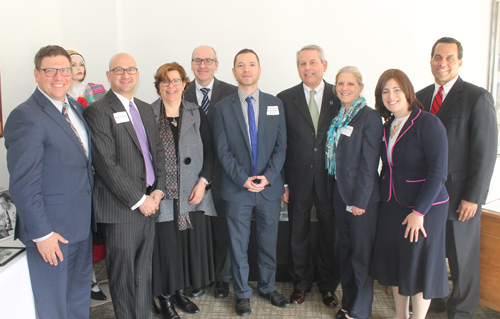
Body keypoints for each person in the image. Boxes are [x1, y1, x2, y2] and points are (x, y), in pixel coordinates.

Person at [4, 45, 94, 319]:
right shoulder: (26, 116)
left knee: (78, 300)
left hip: (81, 227)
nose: (58, 77)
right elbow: (23, 184)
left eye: (64, 70)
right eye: (50, 70)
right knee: (54, 308)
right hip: (51, 233)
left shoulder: (74, 107)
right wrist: (42, 234)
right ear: (37, 74)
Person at [416, 37, 498, 318]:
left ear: (460, 62)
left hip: (461, 194)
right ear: (430, 61)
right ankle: (436, 299)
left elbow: (485, 153)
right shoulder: (420, 96)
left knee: (463, 259)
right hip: (428, 195)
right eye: (438, 57)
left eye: (450, 58)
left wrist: (473, 197)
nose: (443, 63)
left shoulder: (477, 97)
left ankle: (461, 310)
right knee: (434, 253)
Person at [84, 53, 166, 319]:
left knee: (144, 273)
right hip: (121, 209)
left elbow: (157, 152)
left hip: (150, 203)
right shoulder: (97, 110)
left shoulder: (144, 108)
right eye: (118, 70)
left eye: (131, 69)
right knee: (123, 277)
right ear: (109, 76)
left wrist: (158, 191)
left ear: (138, 74)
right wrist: (140, 200)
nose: (126, 75)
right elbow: (106, 164)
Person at [212, 49, 289, 316]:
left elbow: (281, 147)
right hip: (237, 189)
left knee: (268, 242)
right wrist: (243, 180)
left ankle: (268, 287)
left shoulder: (275, 104)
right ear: (233, 71)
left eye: (252, 64)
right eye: (240, 65)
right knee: (238, 244)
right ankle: (242, 293)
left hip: (269, 188)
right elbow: (222, 151)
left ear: (259, 69)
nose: (246, 69)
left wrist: (268, 177)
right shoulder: (222, 108)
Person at [371, 69, 450, 319]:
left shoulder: (427, 122)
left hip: (424, 206)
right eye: (385, 91)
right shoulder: (387, 126)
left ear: (408, 92)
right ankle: (400, 315)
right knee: (396, 262)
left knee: (417, 263)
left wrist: (419, 212)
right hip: (393, 204)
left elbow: (438, 171)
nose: (391, 95)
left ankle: (418, 317)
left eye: (396, 89)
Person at [150, 62, 216, 319]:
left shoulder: (196, 112)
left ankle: (179, 292)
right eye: (165, 81)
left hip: (193, 193)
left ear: (184, 84)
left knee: (185, 247)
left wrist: (203, 182)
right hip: (163, 195)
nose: (171, 86)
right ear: (158, 86)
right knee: (167, 248)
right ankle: (165, 298)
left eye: (176, 81)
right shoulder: (147, 113)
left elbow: (210, 151)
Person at [276, 44, 340, 307]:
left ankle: (327, 286)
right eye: (302, 63)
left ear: (324, 65)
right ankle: (300, 284)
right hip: (297, 180)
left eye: (313, 62)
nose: (307, 68)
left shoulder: (341, 95)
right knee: (297, 234)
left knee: (329, 236)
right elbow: (278, 144)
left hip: (330, 181)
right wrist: (283, 180)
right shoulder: (284, 98)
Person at [325, 66, 382, 319]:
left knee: (360, 257)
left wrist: (360, 200)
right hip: (341, 195)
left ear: (360, 87)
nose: (344, 88)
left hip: (362, 199)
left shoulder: (369, 117)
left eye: (350, 83)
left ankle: (359, 311)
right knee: (346, 253)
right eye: (340, 83)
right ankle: (348, 304)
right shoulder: (340, 116)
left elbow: (370, 164)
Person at [184, 45, 237, 298]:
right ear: (192, 64)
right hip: (191, 173)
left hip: (225, 173)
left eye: (208, 60)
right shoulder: (179, 91)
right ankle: (199, 278)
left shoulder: (231, 92)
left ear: (217, 64)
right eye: (197, 60)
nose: (202, 65)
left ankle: (222, 278)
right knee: (197, 229)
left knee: (223, 229)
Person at [66, 48, 108, 302]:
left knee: (98, 227)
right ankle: (88, 280)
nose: (79, 67)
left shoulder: (97, 91)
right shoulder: (60, 98)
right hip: (76, 174)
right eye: (72, 63)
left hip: (100, 169)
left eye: (82, 63)